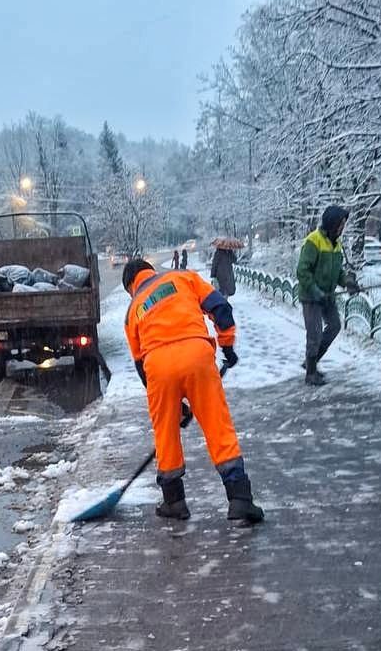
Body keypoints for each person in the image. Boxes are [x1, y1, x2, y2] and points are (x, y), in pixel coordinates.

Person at [122, 258, 264, 524]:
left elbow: (141, 365)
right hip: (196, 355)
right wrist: (227, 345)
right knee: (217, 426)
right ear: (150, 270)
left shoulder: (133, 309)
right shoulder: (182, 278)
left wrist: (175, 408)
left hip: (158, 365)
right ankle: (240, 499)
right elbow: (220, 307)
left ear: (131, 285)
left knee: (165, 433)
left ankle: (174, 501)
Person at [296, 204, 356, 386]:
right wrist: (315, 291)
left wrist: (348, 282)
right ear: (332, 223)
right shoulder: (313, 241)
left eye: (344, 224)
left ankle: (311, 362)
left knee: (335, 326)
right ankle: (311, 373)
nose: (342, 228)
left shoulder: (336, 245)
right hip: (310, 296)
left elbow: (337, 273)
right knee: (314, 333)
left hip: (327, 296)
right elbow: (302, 271)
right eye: (340, 224)